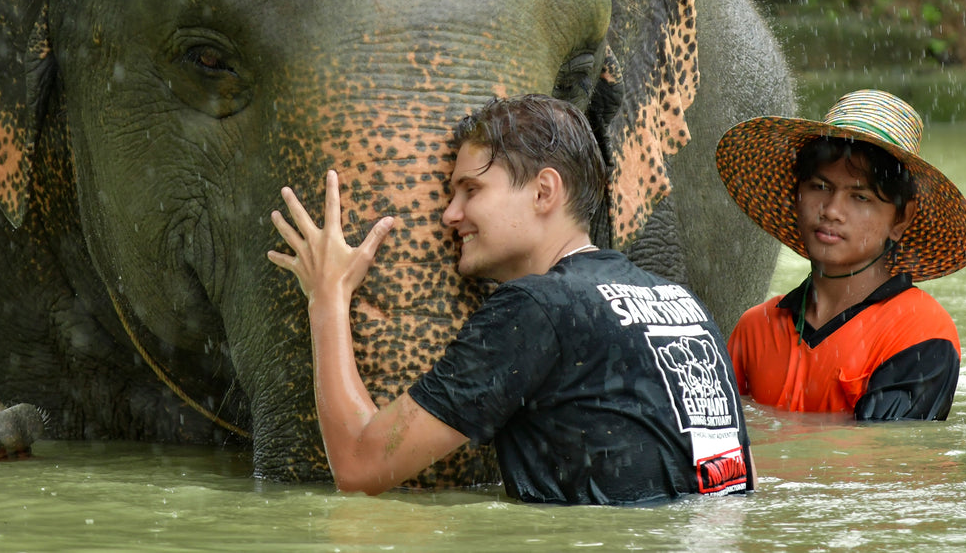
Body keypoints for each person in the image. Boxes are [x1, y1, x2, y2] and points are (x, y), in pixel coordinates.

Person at [267, 94, 753, 504]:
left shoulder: (537, 307)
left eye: (470, 190)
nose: (450, 216)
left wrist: (327, 295)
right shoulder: (682, 303)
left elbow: (359, 465)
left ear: (544, 191)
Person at [716, 89, 966, 421]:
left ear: (901, 218)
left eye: (860, 197)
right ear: (796, 196)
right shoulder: (755, 327)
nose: (831, 210)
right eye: (820, 187)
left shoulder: (920, 332)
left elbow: (881, 460)